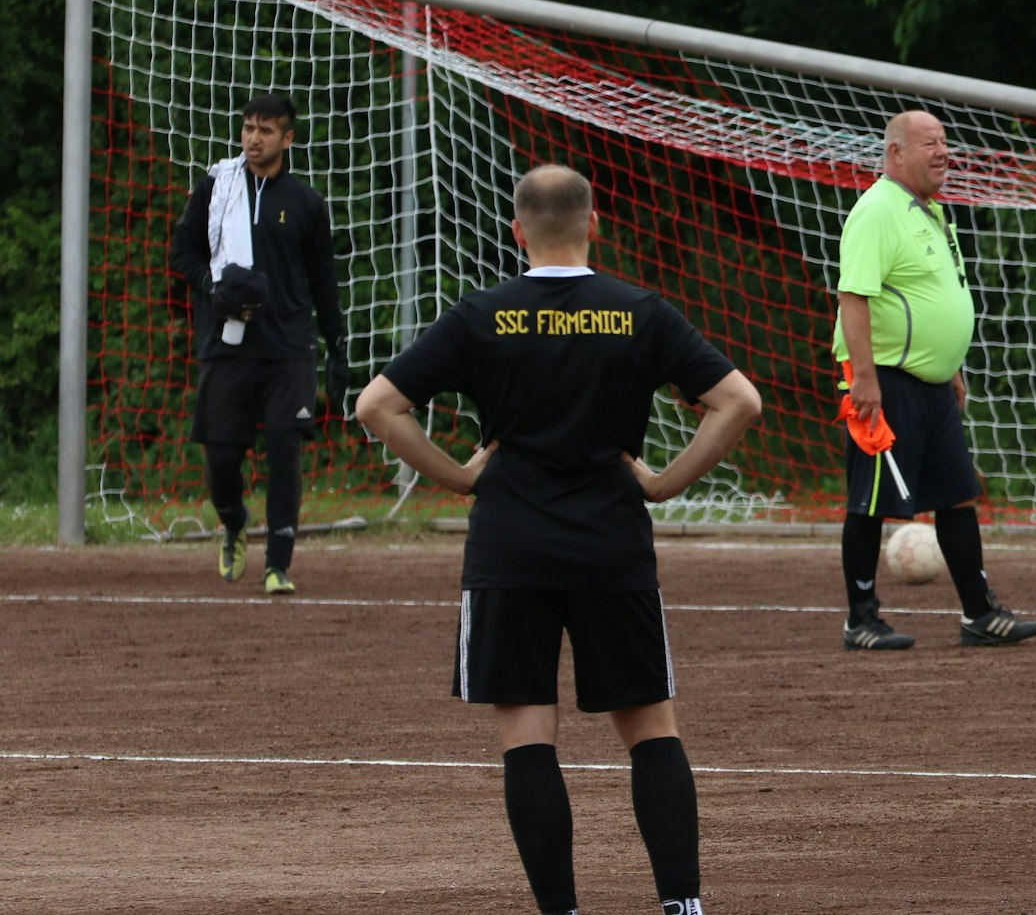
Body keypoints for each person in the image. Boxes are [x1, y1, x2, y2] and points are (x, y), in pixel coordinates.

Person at [355, 164, 760, 915]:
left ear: (518, 231)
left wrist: (460, 476)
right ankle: (683, 906)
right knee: (649, 727)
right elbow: (739, 401)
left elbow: (378, 404)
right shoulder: (637, 308)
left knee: (528, 735)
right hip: (612, 543)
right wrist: (664, 482)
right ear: (594, 225)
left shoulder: (481, 313)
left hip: (511, 547)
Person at [832, 109, 1036, 651]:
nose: (943, 152)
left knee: (956, 496)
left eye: (945, 143)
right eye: (929, 143)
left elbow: (932, 297)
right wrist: (865, 379)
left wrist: (950, 366)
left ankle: (980, 615)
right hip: (885, 381)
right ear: (896, 153)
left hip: (930, 385)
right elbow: (854, 296)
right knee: (870, 500)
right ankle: (861, 620)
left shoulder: (929, 212)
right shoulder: (877, 211)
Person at [169, 94, 347, 596]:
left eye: (266, 130)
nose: (253, 138)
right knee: (222, 459)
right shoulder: (216, 187)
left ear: (287, 139)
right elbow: (182, 251)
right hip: (227, 345)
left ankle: (277, 565)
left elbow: (323, 282)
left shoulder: (307, 204)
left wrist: (338, 348)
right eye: (248, 127)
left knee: (285, 451)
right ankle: (232, 522)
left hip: (289, 349)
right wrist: (212, 284)